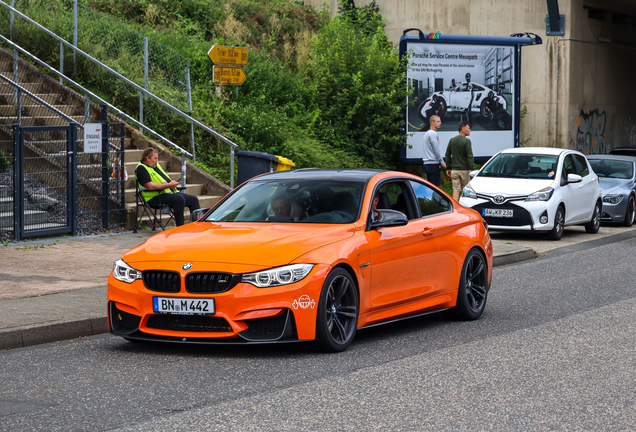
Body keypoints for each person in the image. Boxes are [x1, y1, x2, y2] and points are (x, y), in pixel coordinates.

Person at [135, 147, 200, 226]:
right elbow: (150, 186)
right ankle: (180, 227)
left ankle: (198, 225)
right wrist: (169, 185)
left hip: (166, 193)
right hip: (153, 197)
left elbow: (163, 178)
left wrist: (172, 184)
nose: (157, 160)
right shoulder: (141, 168)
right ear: (147, 158)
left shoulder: (155, 165)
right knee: (179, 199)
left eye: (157, 158)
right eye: (155, 158)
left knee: (193, 199)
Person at [445, 121, 474, 201]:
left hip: (454, 170)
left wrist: (448, 168)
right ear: (463, 129)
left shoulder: (452, 140)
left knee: (456, 190)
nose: (470, 130)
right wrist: (471, 170)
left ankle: (455, 208)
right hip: (465, 170)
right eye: (468, 128)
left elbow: (447, 155)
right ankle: (466, 207)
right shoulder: (467, 141)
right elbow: (470, 156)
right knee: (466, 191)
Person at [422, 115, 446, 187]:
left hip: (427, 163)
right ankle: (434, 198)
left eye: (440, 121)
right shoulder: (433, 134)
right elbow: (436, 148)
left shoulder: (426, 134)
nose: (440, 123)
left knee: (429, 186)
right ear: (432, 122)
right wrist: (442, 161)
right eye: (438, 121)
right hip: (433, 163)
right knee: (435, 187)